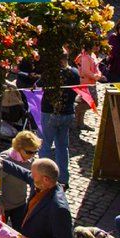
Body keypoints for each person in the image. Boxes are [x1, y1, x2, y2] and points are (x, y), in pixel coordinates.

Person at [38, 56, 80, 189]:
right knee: (62, 147)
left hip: (50, 113)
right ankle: (63, 179)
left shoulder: (51, 73)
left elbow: (37, 85)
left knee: (45, 145)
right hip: (67, 113)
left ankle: (42, 178)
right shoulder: (74, 72)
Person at [0, 131, 42, 227]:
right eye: (29, 152)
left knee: (20, 232)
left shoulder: (30, 161)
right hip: (3, 206)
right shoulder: (5, 160)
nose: (32, 155)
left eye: (35, 152)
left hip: (20, 204)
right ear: (18, 148)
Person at [76, 42, 103, 128]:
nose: (97, 47)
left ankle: (80, 122)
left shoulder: (92, 55)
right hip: (85, 83)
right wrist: (95, 76)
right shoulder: (85, 57)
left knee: (86, 102)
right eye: (95, 45)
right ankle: (75, 111)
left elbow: (96, 67)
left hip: (91, 83)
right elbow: (85, 71)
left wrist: (99, 73)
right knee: (89, 102)